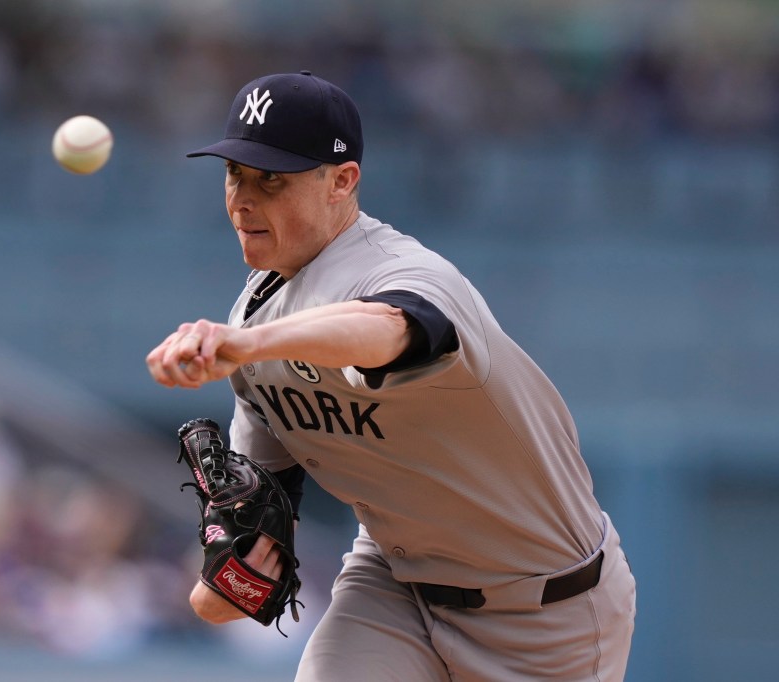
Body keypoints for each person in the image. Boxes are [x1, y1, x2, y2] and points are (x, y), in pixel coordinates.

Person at [146, 70, 636, 681]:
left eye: (271, 179)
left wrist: (246, 346)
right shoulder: (253, 320)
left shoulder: (402, 270)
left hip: (545, 611)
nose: (243, 200)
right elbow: (254, 528)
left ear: (342, 181)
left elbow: (390, 329)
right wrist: (224, 579)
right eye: (234, 174)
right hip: (393, 586)